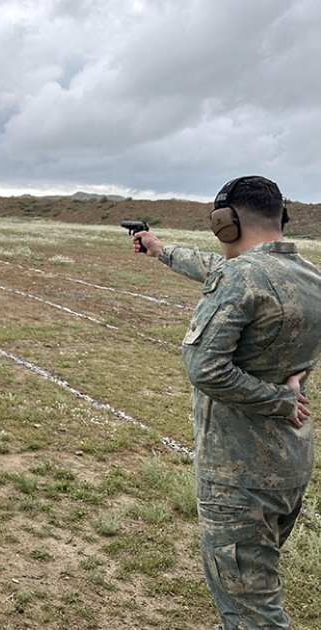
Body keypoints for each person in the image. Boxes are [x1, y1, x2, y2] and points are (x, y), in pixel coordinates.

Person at [132, 175, 321, 629]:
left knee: (253, 614)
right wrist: (160, 249)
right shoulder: (310, 277)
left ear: (225, 223)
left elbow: (205, 368)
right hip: (289, 464)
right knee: (250, 590)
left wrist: (276, 398)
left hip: (239, 475)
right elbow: (219, 270)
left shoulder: (241, 277)